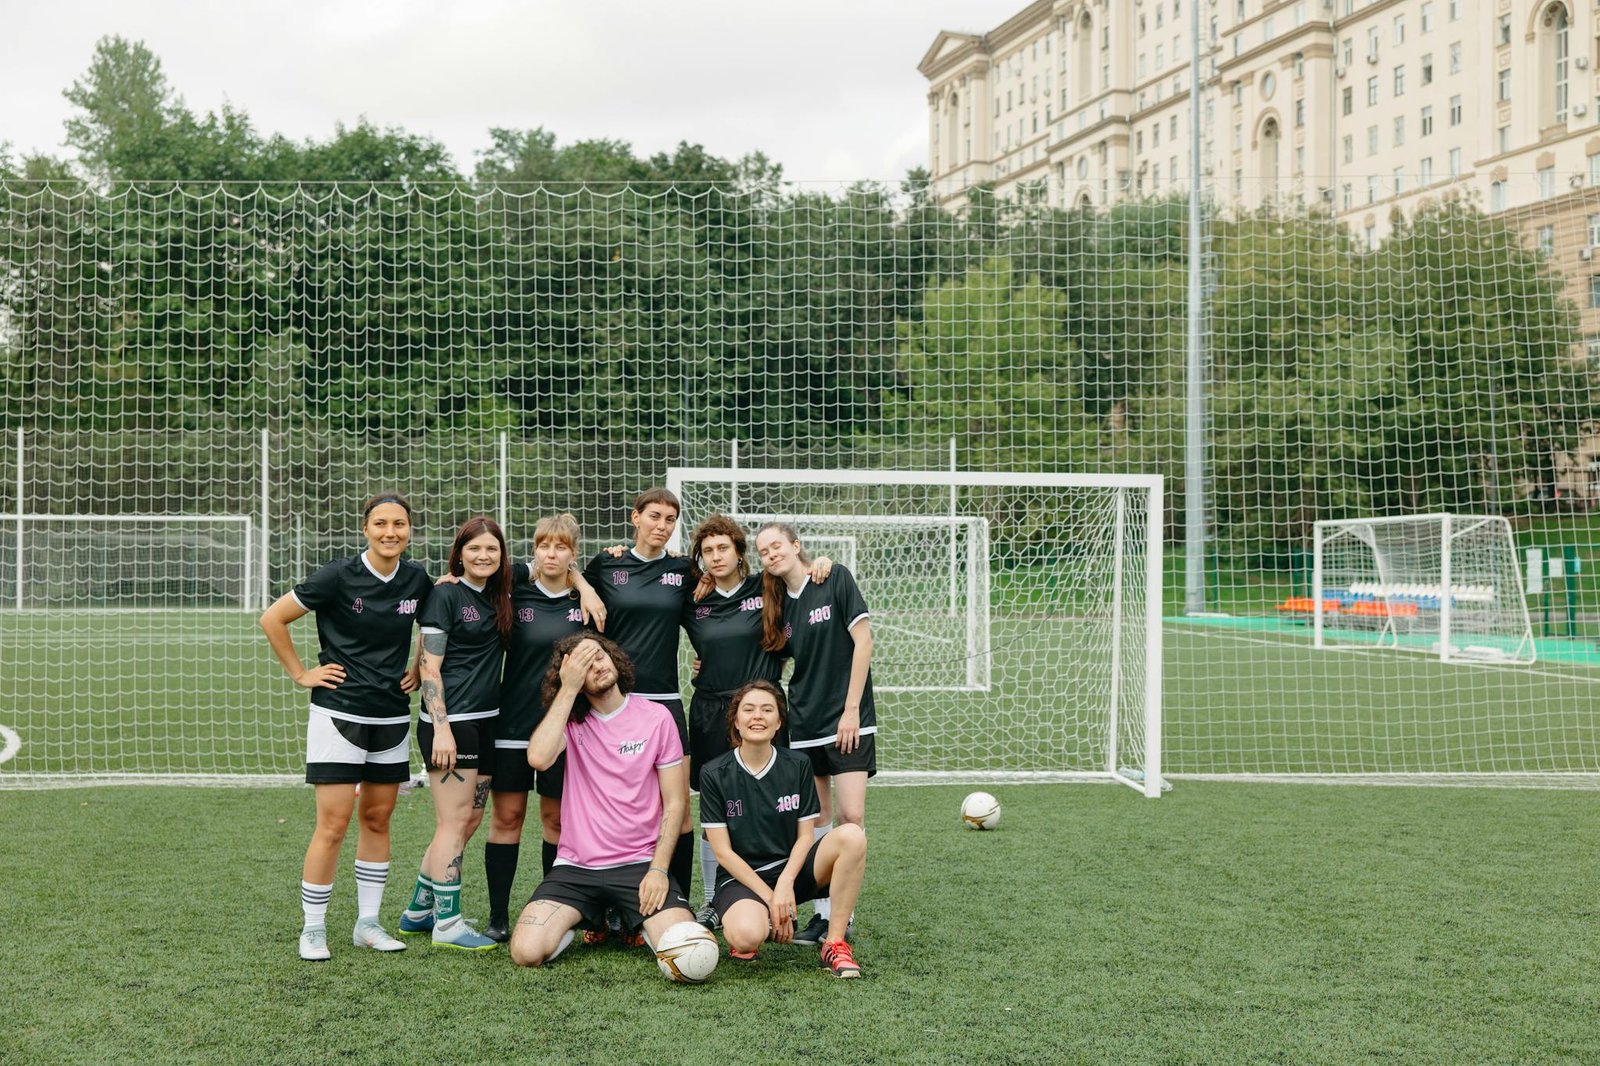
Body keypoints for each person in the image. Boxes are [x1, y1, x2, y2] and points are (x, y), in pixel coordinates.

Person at [259, 492, 433, 962]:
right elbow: (273, 618)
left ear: (410, 530)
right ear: (365, 528)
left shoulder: (417, 579)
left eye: (399, 524)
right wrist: (301, 674)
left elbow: (438, 622)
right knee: (333, 824)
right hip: (339, 714)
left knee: (377, 819)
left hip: (392, 716)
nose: (390, 532)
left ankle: (367, 925)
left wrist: (417, 664)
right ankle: (313, 929)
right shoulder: (338, 575)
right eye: (381, 523)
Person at [508, 634, 696, 968]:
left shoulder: (657, 717)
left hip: (639, 864)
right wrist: (569, 688)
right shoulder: (569, 721)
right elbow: (538, 757)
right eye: (583, 665)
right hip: (576, 868)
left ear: (614, 658)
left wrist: (658, 870)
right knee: (526, 953)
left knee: (690, 952)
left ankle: (637, 920)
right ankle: (586, 916)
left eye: (599, 656)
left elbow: (676, 803)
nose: (596, 666)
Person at [755, 521, 875, 946]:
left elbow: (863, 642)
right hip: (804, 723)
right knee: (817, 819)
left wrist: (851, 710)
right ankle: (824, 916)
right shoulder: (777, 605)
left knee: (852, 818)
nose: (770, 554)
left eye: (776, 546)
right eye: (763, 551)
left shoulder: (834, 577)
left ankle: (843, 914)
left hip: (846, 719)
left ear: (796, 545)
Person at [396, 516, 511, 951]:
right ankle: (447, 924)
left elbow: (552, 560)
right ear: (459, 552)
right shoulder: (445, 593)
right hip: (452, 724)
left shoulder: (498, 591)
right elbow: (429, 666)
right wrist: (440, 728)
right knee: (453, 822)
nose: (483, 556)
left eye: (492, 550)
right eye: (474, 549)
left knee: (471, 818)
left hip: (488, 720)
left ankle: (418, 912)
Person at [699, 681, 866, 978]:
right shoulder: (714, 773)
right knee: (746, 936)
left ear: (779, 722)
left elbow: (805, 837)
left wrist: (785, 885)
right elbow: (723, 853)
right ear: (736, 721)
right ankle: (753, 921)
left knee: (852, 835)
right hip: (742, 878)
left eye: (767, 710)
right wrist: (769, 896)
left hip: (791, 870)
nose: (757, 717)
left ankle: (835, 942)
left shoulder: (798, 764)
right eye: (748, 710)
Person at [481, 513, 591, 942]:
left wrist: (582, 586)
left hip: (565, 729)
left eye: (561, 546)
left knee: (556, 821)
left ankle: (552, 910)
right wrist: (579, 578)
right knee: (507, 817)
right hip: (512, 723)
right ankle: (497, 916)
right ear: (534, 550)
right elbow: (479, 571)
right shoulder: (515, 591)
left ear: (573, 553)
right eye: (544, 545)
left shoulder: (587, 606)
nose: (552, 553)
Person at [680, 514, 786, 924]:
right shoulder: (694, 600)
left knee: (772, 801)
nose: (715, 556)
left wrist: (821, 565)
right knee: (714, 807)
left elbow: (799, 574)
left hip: (761, 711)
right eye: (707, 551)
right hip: (710, 711)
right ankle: (711, 901)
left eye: (723, 548)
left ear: (740, 552)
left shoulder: (768, 586)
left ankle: (779, 890)